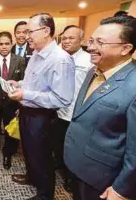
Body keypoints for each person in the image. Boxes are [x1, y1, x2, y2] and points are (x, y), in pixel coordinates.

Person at [64, 15, 136, 200]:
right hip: (81, 166)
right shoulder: (93, 71)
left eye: (100, 43)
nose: (91, 47)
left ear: (125, 48)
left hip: (105, 179)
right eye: (92, 40)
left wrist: (123, 190)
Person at [8, 13, 75, 200]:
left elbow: (62, 98)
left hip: (42, 116)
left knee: (42, 156)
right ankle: (32, 177)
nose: (26, 36)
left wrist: (25, 94)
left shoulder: (60, 59)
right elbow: (36, 82)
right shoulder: (37, 53)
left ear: (46, 31)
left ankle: (45, 195)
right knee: (29, 150)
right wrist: (20, 84)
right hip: (27, 112)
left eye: (30, 31)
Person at [52, 25, 93, 192]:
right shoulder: (58, 57)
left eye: (71, 38)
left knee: (74, 147)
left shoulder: (89, 60)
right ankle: (60, 165)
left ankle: (71, 177)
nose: (67, 41)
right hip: (57, 110)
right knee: (58, 142)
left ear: (81, 40)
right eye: (65, 38)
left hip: (77, 113)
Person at [0, 31, 26, 169]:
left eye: (7, 43)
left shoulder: (19, 60)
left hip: (12, 103)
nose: (4, 47)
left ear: (11, 44)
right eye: (1, 44)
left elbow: (24, 82)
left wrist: (21, 105)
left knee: (10, 130)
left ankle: (8, 153)